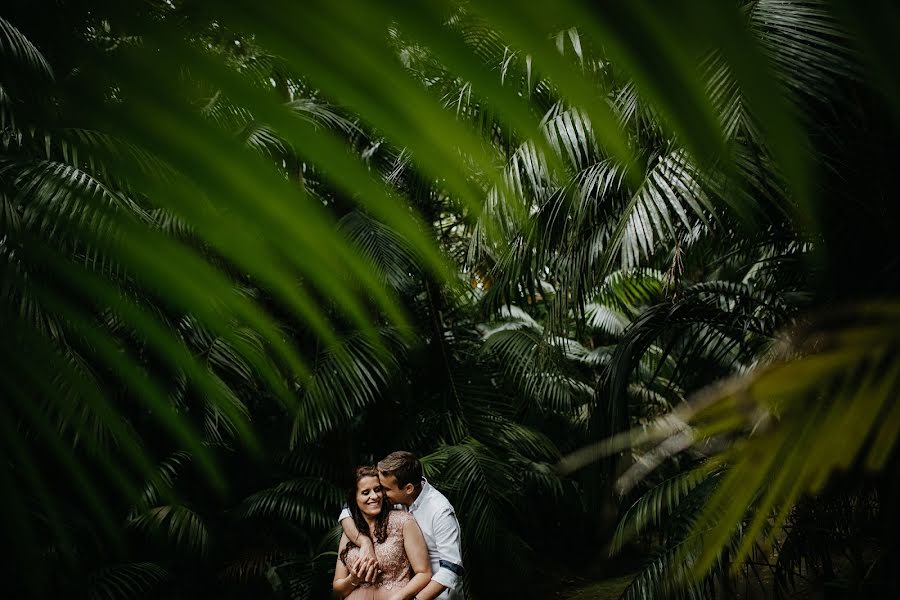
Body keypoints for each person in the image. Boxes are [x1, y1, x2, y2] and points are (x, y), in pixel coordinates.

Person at [340, 452, 464, 600]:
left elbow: (451, 569)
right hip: (405, 591)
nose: (381, 495)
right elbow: (349, 509)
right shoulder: (395, 496)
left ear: (408, 488)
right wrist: (364, 542)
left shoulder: (440, 511)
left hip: (437, 595)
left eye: (385, 489)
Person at [333, 466, 432, 600]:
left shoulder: (403, 522)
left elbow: (424, 573)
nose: (374, 496)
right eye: (366, 492)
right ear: (354, 497)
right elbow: (338, 588)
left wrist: (399, 598)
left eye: (377, 490)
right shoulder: (350, 531)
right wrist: (353, 579)